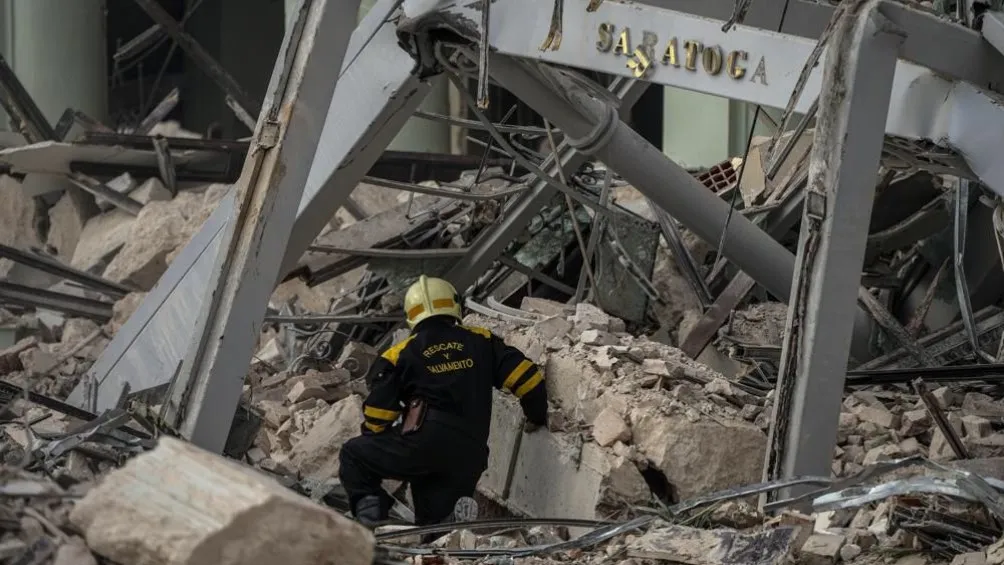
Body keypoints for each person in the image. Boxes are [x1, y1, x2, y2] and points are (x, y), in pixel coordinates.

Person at [339, 275, 548, 528]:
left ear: (411, 316)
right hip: (469, 455)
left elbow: (378, 414)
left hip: (422, 446)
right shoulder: (482, 340)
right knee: (438, 527)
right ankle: (444, 535)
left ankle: (372, 519)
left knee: (353, 454)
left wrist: (379, 442)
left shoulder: (401, 353)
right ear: (454, 305)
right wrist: (536, 417)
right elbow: (528, 379)